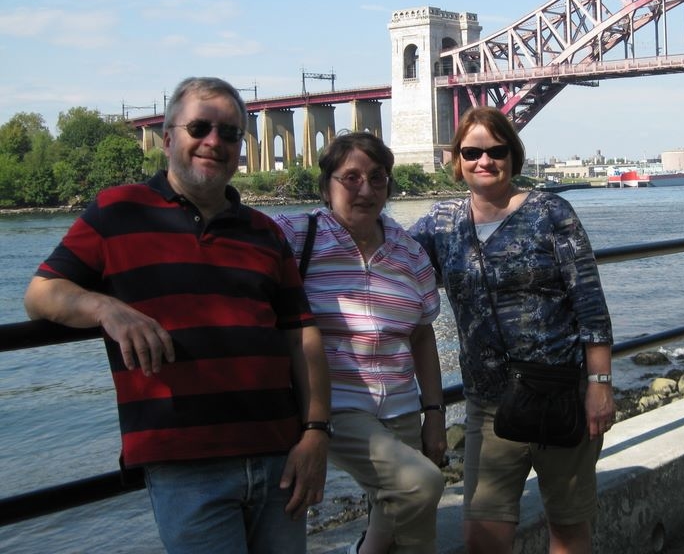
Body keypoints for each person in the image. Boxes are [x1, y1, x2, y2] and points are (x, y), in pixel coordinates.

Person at [23, 76, 332, 554]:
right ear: (168, 139)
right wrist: (106, 308)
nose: (214, 142)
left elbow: (301, 337)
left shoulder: (265, 232)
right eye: (200, 128)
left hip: (280, 458)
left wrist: (315, 434)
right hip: (187, 469)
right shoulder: (116, 212)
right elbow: (41, 293)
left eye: (229, 133)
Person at [408, 106, 615, 554]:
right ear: (458, 160)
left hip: (561, 393)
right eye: (472, 152)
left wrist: (599, 384)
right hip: (489, 404)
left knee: (567, 527)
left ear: (512, 156)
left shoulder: (550, 211)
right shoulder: (441, 223)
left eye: (496, 150)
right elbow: (389, 260)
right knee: (482, 535)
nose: (485, 161)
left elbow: (590, 304)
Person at [274, 132, 447, 554]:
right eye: (350, 178)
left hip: (403, 405)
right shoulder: (296, 236)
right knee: (421, 484)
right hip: (336, 405)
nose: (366, 189)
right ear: (326, 185)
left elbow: (422, 336)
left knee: (404, 521)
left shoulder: (410, 253)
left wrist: (435, 414)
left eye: (377, 178)